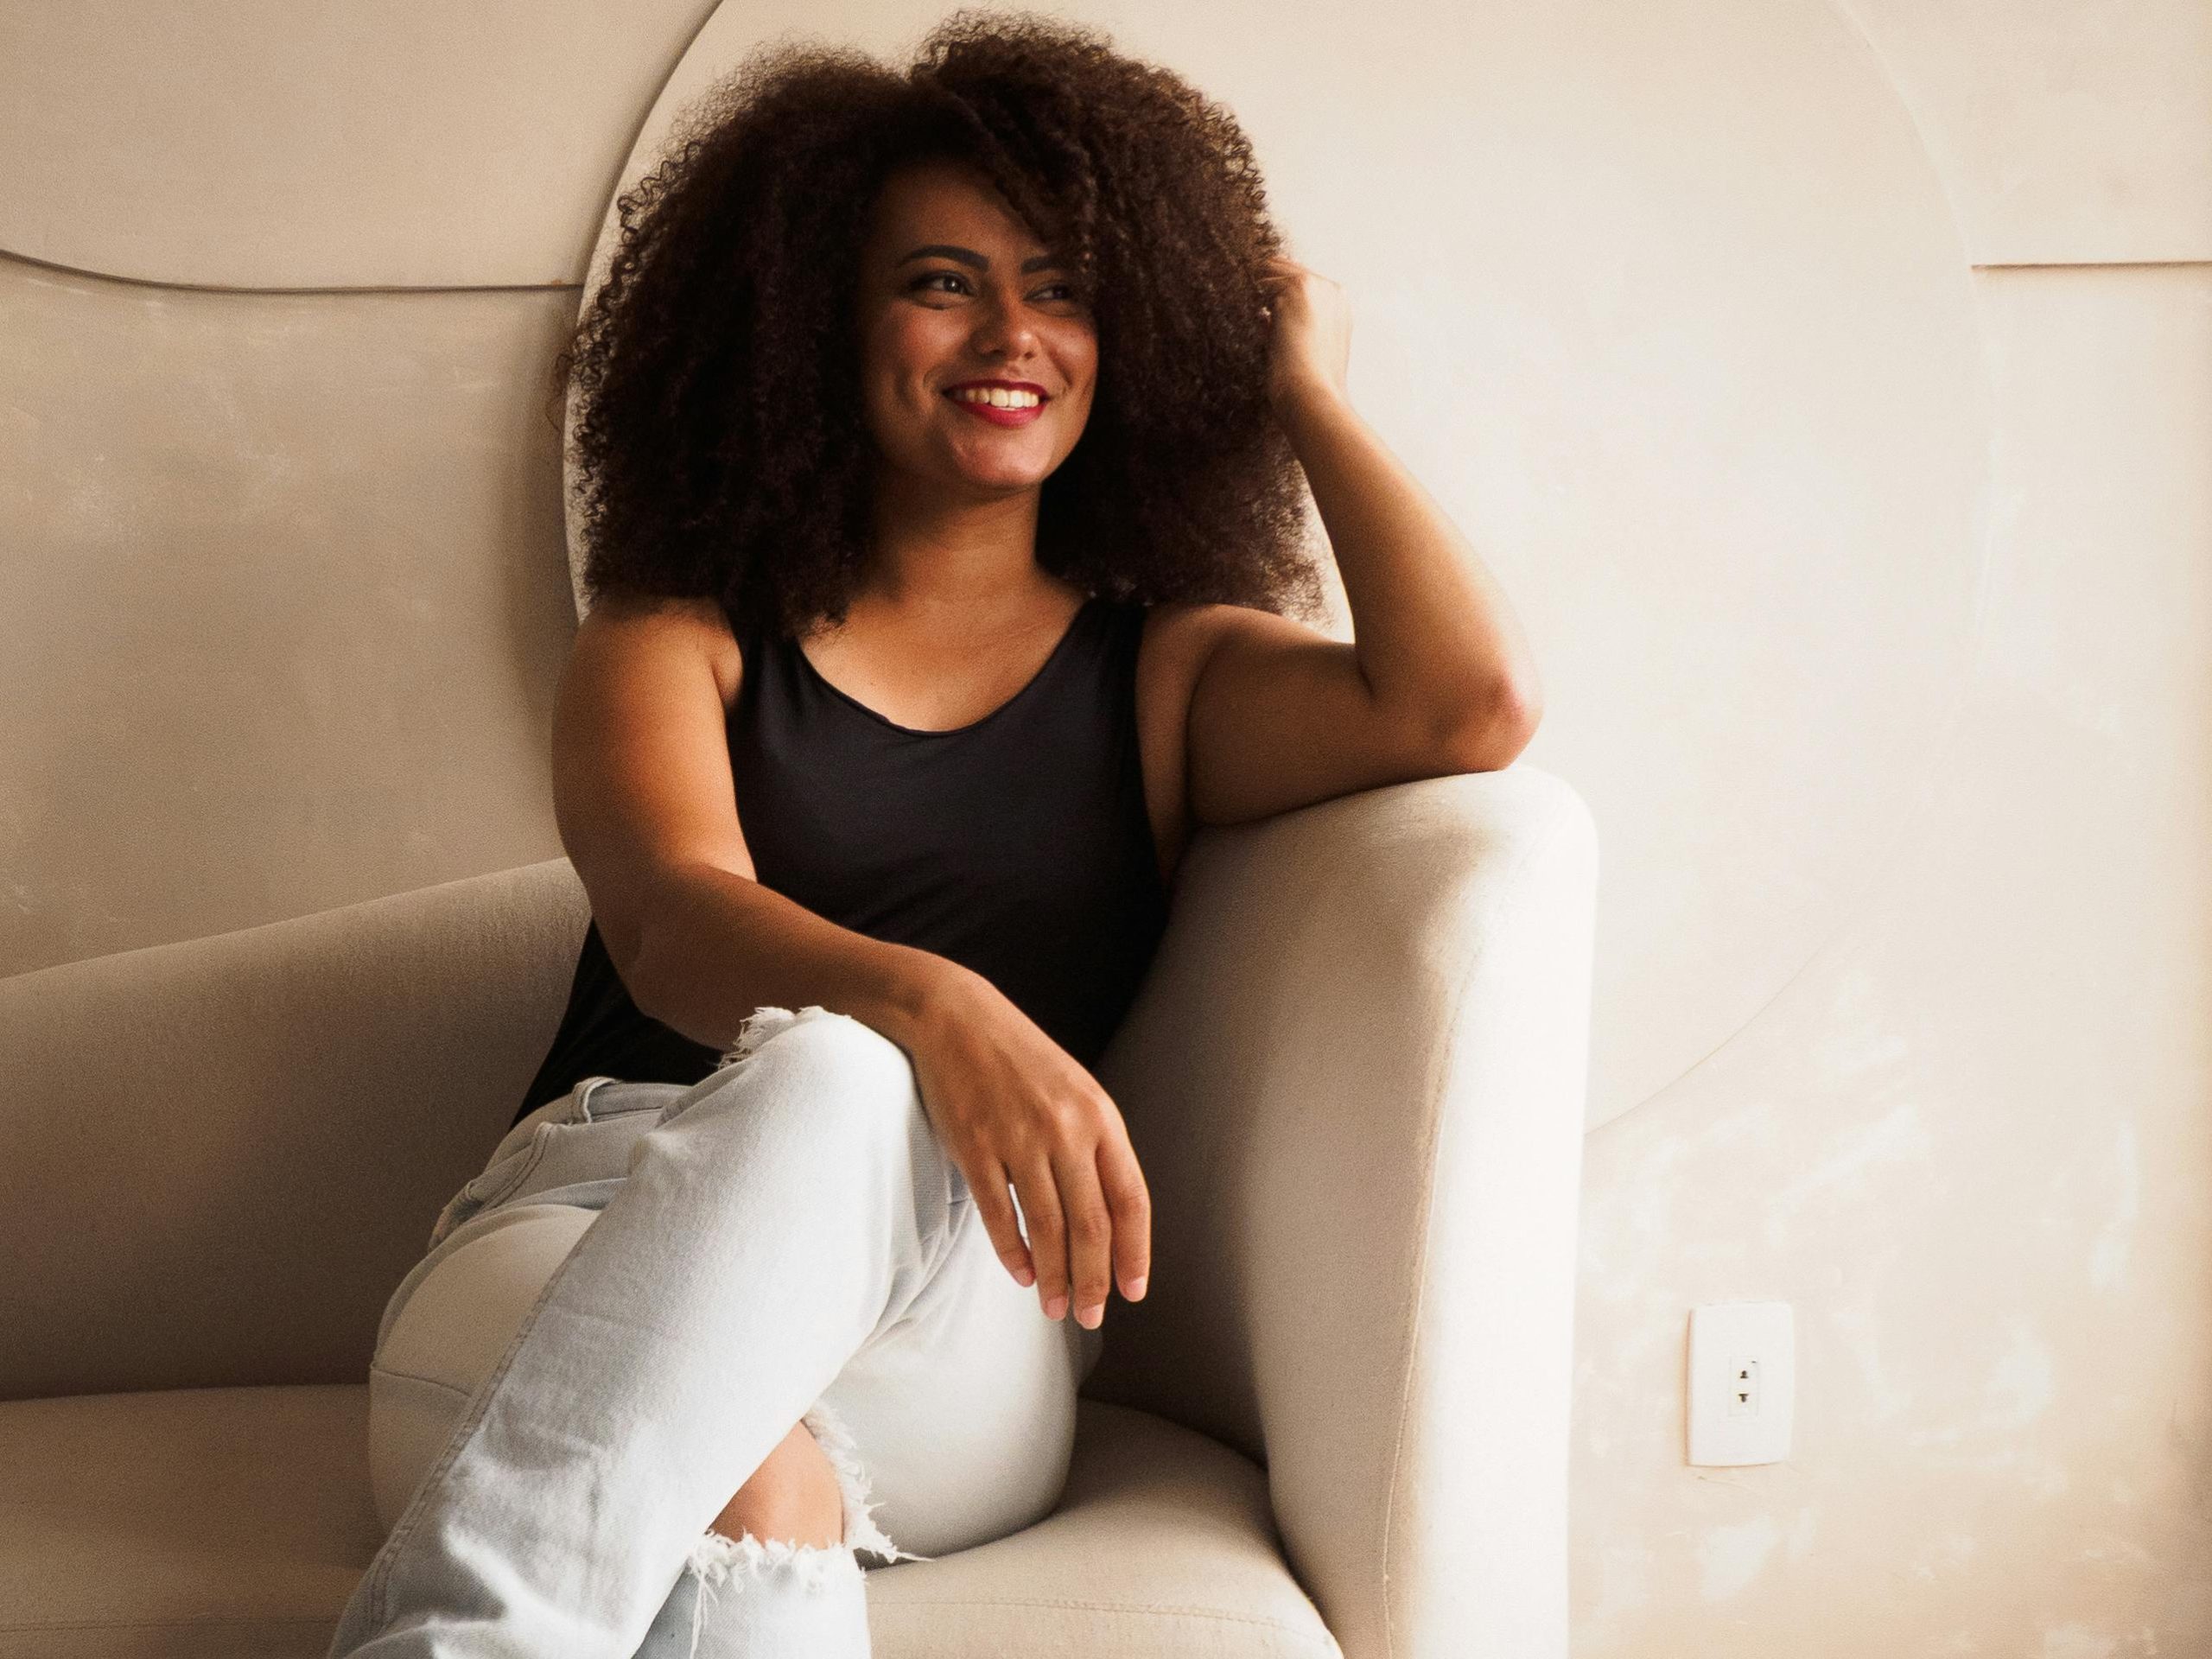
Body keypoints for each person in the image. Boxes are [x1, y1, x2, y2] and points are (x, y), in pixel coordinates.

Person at [327, 11, 1541, 1658]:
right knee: (770, 1404)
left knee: (849, 1082)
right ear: (816, 319)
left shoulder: (1165, 677)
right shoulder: (675, 641)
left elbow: (1465, 707)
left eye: (1061, 287)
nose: (1011, 333)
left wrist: (1301, 393)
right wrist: (934, 1004)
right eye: (941, 280)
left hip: (960, 1316)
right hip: (587, 1237)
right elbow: (677, 921)